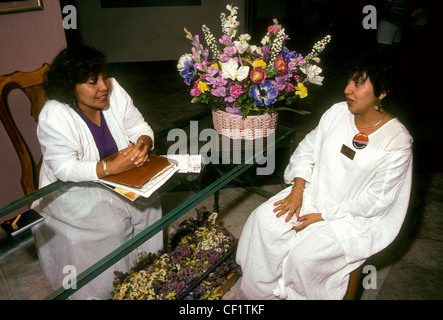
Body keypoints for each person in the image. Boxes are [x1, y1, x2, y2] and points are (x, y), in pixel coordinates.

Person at [236, 53, 413, 300]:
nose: (347, 90)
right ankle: (263, 295)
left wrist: (324, 216)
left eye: (358, 83)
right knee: (262, 221)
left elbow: (378, 200)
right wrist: (298, 189)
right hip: (312, 193)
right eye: (348, 81)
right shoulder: (337, 113)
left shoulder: (397, 141)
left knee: (304, 257)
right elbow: (307, 149)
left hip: (353, 218)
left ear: (382, 92)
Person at [31, 45, 163, 299]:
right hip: (70, 188)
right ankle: (108, 290)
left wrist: (142, 145)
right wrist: (108, 168)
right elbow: (63, 168)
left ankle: (147, 274)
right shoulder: (54, 114)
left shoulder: (114, 89)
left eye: (103, 76)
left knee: (151, 204)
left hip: (117, 176)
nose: (104, 86)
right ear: (70, 87)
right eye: (93, 82)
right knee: (111, 226)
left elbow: (139, 126)